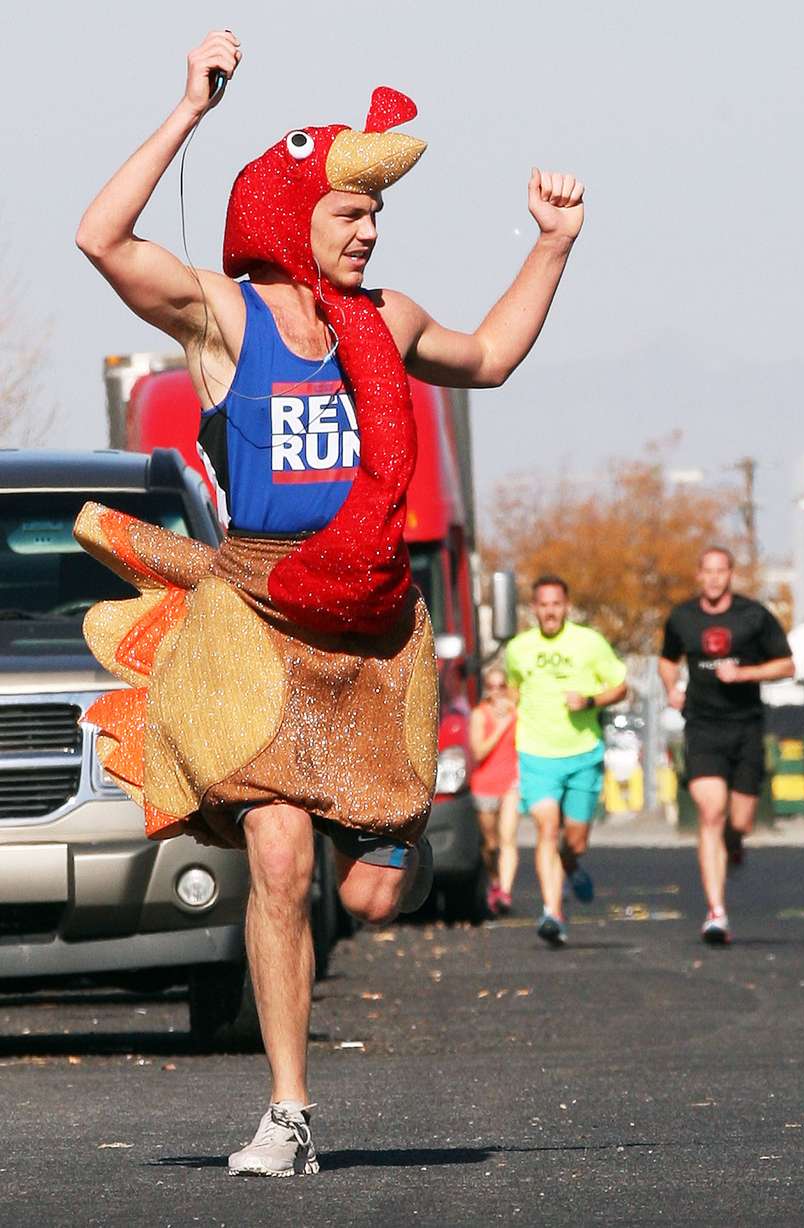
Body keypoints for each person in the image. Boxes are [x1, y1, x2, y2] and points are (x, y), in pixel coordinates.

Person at [74, 29, 586, 1177]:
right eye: (350, 213)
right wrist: (188, 111)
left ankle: (391, 840)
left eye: (376, 218)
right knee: (283, 862)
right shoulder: (223, 316)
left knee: (372, 893)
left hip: (374, 632)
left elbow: (493, 355)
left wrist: (552, 247)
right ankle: (289, 1113)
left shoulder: (389, 320)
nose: (368, 231)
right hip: (258, 618)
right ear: (291, 213)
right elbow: (99, 237)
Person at [659, 546, 794, 944]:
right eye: (708, 571)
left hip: (746, 726)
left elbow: (787, 665)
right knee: (710, 811)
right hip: (702, 726)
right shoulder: (682, 617)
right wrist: (671, 688)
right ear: (699, 575)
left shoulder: (753, 616)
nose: (715, 578)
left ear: (731, 575)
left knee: (740, 822)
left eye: (722, 571)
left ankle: (734, 844)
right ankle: (716, 912)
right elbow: (667, 659)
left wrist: (745, 673)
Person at [506, 576, 627, 946]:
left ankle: (571, 865)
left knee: (574, 841)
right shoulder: (518, 648)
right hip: (536, 752)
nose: (550, 611)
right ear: (534, 609)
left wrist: (589, 701)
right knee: (546, 827)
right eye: (543, 605)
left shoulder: (589, 642)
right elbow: (514, 687)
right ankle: (552, 913)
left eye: (556, 604)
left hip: (582, 753)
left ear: (566, 606)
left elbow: (621, 686)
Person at [469, 667, 519, 915]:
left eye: (502, 686)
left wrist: (512, 714)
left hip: (511, 783)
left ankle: (505, 892)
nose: (497, 691)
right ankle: (495, 879)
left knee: (508, 839)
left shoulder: (516, 714)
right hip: (484, 785)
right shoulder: (479, 715)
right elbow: (478, 752)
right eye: (492, 686)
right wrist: (500, 727)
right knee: (490, 844)